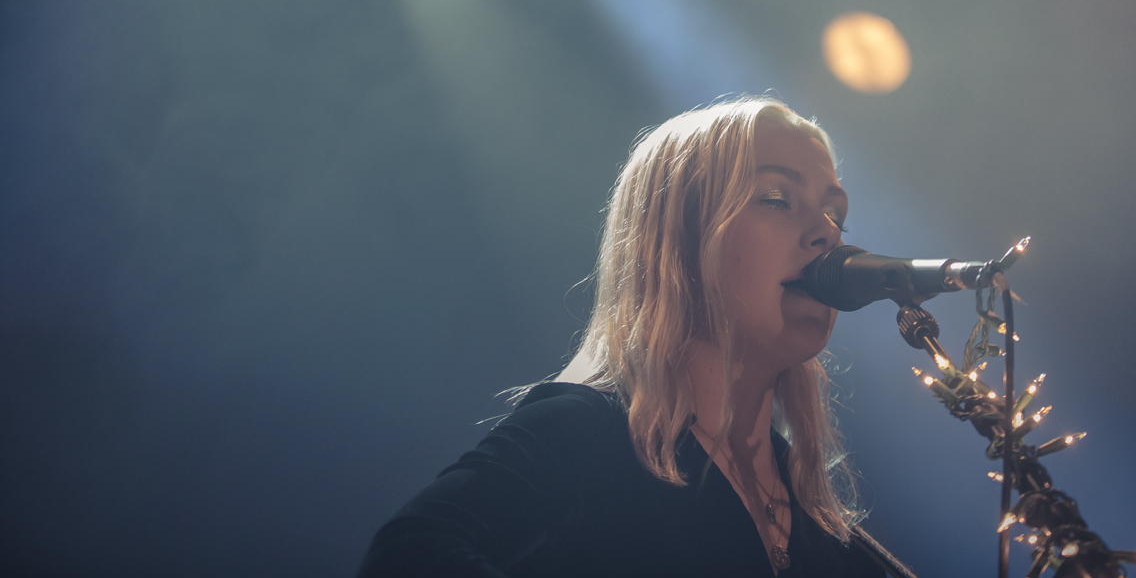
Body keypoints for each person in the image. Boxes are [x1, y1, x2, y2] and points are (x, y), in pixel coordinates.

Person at [357, 97, 887, 577]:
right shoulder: (586, 432)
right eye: (776, 197)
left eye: (834, 213)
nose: (830, 234)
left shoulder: (826, 532)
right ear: (681, 235)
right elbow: (408, 556)